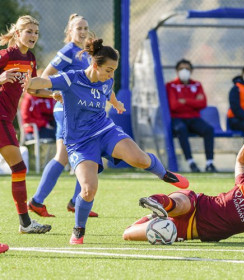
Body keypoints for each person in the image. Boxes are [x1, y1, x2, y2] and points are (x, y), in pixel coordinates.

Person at [23, 38, 189, 245]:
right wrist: (25, 80)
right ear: (94, 65)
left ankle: (164, 174)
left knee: (139, 159)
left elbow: (107, 90)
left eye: (114, 71)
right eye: (108, 70)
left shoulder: (107, 80)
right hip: (80, 143)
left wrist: (116, 103)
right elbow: (43, 83)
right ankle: (78, 230)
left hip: (105, 130)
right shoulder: (71, 79)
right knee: (88, 189)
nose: (111, 75)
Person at [27, 14, 98, 218]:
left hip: (79, 113)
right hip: (66, 112)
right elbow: (45, 77)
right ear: (69, 31)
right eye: (78, 28)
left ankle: (75, 201)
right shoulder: (68, 51)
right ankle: (37, 201)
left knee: (83, 153)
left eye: (85, 28)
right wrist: (53, 92)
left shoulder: (85, 53)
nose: (83, 31)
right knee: (67, 156)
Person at [0, 15, 51, 233]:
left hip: (6, 119)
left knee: (19, 169)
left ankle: (25, 223)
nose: (33, 36)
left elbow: (31, 88)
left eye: (36, 32)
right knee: (19, 168)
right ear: (18, 34)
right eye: (28, 31)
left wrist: (54, 94)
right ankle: (26, 224)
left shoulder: (30, 58)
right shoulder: (6, 54)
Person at [166, 59, 217, 173]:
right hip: (177, 118)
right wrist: (193, 101)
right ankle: (191, 162)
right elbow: (174, 105)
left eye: (187, 69)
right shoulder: (170, 85)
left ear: (191, 71)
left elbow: (203, 103)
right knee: (181, 129)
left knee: (209, 129)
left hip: (194, 117)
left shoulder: (197, 85)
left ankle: (210, 163)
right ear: (177, 71)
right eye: (181, 69)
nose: (184, 71)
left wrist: (184, 101)